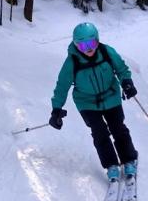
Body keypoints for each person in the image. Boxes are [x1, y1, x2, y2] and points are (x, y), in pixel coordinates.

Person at [49, 22, 139, 181]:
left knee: (118, 128)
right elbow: (62, 86)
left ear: (97, 40)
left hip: (111, 97)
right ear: (76, 45)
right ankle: (111, 165)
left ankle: (129, 159)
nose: (89, 49)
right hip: (87, 103)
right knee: (100, 133)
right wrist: (56, 109)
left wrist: (127, 82)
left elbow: (121, 69)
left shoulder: (106, 51)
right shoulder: (72, 62)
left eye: (92, 43)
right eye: (83, 46)